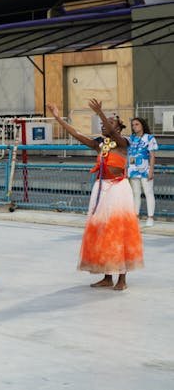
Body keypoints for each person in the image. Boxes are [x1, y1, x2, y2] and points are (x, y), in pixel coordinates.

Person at [47, 100, 143, 290]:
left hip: (118, 189)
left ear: (119, 126)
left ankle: (122, 278)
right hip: (102, 188)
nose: (104, 124)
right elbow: (76, 134)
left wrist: (99, 113)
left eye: (109, 122)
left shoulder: (124, 142)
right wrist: (58, 118)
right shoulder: (100, 144)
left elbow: (115, 134)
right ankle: (107, 276)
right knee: (103, 231)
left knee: (118, 231)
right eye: (103, 122)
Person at [128, 117, 157, 228]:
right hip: (133, 169)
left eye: (137, 124)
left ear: (142, 125)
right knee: (135, 193)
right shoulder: (131, 138)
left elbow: (152, 156)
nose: (134, 127)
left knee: (148, 192)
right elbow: (128, 154)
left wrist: (151, 171)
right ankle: (136, 216)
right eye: (133, 125)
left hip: (145, 169)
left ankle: (150, 217)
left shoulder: (149, 138)